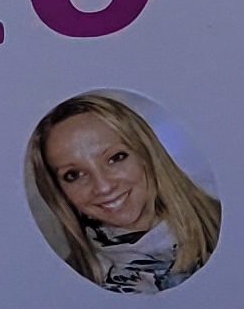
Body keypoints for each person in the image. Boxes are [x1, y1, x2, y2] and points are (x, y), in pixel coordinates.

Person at [31, 93, 222, 293]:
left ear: (146, 154)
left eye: (116, 158)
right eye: (74, 175)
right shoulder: (61, 286)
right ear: (59, 191)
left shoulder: (232, 229)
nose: (103, 187)